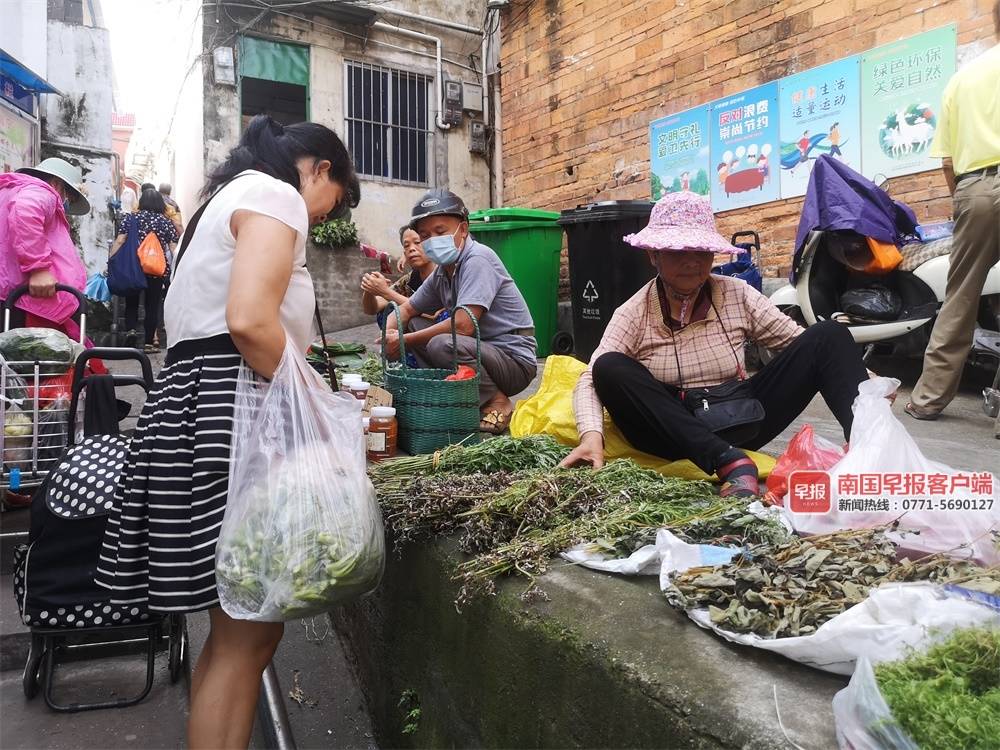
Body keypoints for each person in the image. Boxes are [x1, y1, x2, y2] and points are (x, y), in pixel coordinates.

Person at [95, 114, 360, 749]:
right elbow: (249, 322)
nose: (324, 216)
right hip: (234, 408)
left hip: (193, 406)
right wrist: (316, 405)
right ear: (321, 169)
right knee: (248, 634)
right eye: (335, 200)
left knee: (236, 632)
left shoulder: (218, 206)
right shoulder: (274, 194)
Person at [558, 191, 875, 498]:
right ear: (653, 255)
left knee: (829, 335)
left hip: (739, 418)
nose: (692, 262)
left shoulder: (737, 294)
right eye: (678, 251)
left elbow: (799, 343)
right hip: (671, 434)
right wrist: (591, 436)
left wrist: (867, 383)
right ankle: (730, 462)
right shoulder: (633, 312)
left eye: (701, 251)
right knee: (608, 366)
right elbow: (590, 379)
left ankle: (871, 450)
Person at [906, 4, 1000, 421]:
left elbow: (947, 161)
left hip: (974, 188)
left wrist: (967, 199)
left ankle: (927, 400)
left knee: (960, 295)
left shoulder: (962, 80)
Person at [383, 189, 537, 434]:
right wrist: (390, 334)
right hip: (481, 352)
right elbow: (407, 309)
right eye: (425, 235)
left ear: (463, 229)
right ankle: (456, 393)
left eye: (440, 232)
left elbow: (464, 325)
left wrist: (404, 341)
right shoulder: (443, 272)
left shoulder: (478, 259)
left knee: (441, 343)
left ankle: (498, 401)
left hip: (513, 361)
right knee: (413, 325)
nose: (432, 240)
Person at [0, 157, 91, 336]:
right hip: (23, 300)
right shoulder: (42, 192)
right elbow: (26, 211)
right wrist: (38, 269)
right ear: (57, 184)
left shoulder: (9, 192)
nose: (65, 202)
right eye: (68, 196)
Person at [109, 188, 179, 353]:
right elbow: (173, 247)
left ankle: (131, 331)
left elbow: (120, 240)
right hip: (156, 268)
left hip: (134, 267)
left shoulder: (131, 218)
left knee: (131, 302)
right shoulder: (165, 221)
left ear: (141, 202)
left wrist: (111, 259)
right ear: (160, 203)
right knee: (152, 305)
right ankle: (148, 343)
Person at [361, 226, 436, 329]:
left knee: (412, 319)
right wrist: (369, 288)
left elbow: (434, 314)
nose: (411, 249)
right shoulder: (409, 280)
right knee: (388, 310)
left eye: (417, 242)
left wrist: (385, 292)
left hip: (446, 334)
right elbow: (371, 309)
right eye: (406, 245)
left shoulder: (444, 275)